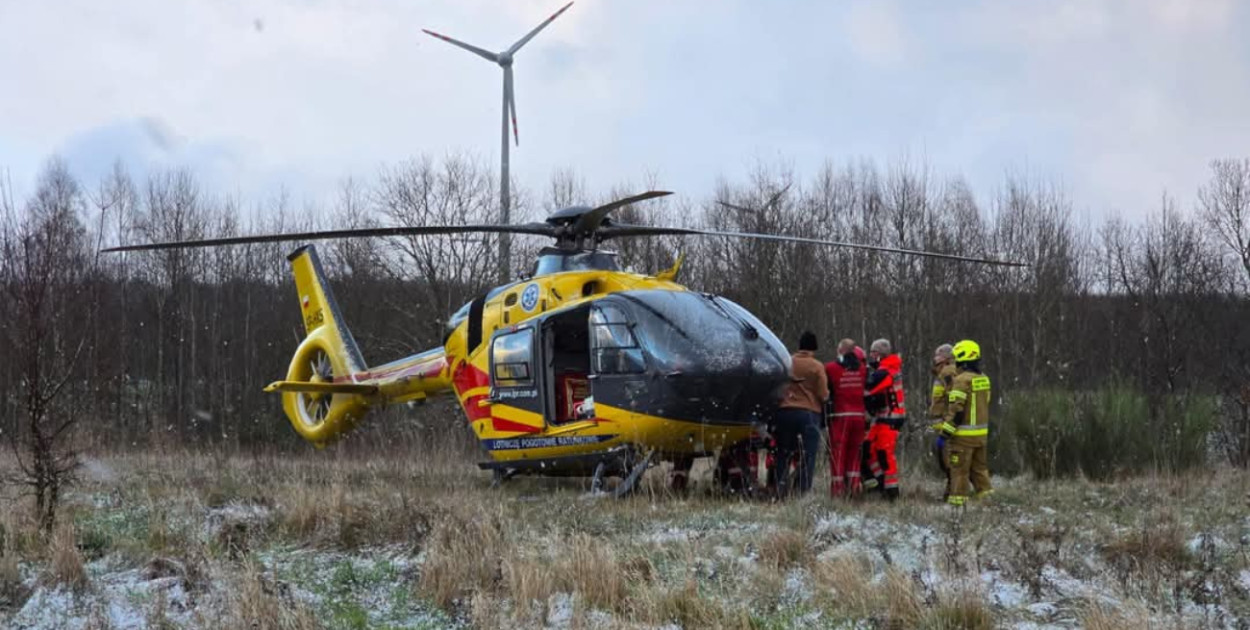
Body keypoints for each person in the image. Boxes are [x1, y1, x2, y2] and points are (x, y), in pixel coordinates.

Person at [938, 339, 993, 506]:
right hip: (981, 436)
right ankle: (988, 501)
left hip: (963, 438)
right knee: (980, 471)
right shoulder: (983, 378)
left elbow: (957, 411)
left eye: (956, 359)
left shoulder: (961, 380)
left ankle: (957, 506)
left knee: (959, 472)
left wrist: (945, 433)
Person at [774, 331, 828, 498]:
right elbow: (823, 394)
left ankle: (780, 489)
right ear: (814, 348)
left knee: (783, 453)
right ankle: (802, 491)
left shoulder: (787, 362)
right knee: (808, 455)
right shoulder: (816, 366)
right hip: (808, 413)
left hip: (784, 412)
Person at [862, 338, 905, 501]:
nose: (871, 356)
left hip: (891, 419)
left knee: (884, 453)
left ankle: (891, 491)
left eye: (873, 352)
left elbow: (869, 389)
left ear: (880, 354)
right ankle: (880, 483)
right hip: (883, 418)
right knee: (868, 448)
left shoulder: (886, 371)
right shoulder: (885, 369)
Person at [825, 339, 867, 498]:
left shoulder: (831, 368)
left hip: (840, 416)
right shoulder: (863, 369)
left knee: (838, 453)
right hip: (859, 417)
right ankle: (854, 488)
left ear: (840, 350)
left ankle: (838, 490)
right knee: (855, 454)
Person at [928, 343, 957, 498]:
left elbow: (954, 399)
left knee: (950, 460)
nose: (934, 358)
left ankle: (953, 491)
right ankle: (951, 489)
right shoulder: (942, 373)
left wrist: (948, 423)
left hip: (948, 423)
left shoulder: (948, 373)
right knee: (945, 459)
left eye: (937, 355)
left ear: (946, 358)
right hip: (942, 422)